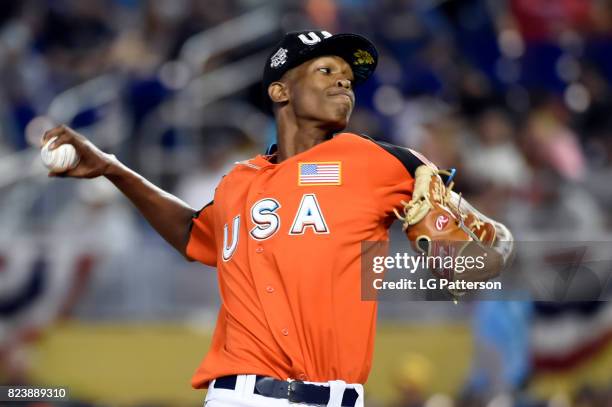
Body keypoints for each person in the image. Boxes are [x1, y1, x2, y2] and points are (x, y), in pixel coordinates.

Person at [41, 30, 508, 407]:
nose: (343, 81)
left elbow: (486, 251)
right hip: (241, 396)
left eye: (348, 76)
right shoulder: (237, 183)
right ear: (280, 90)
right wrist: (112, 168)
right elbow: (193, 232)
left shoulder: (383, 163)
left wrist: (478, 262)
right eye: (326, 69)